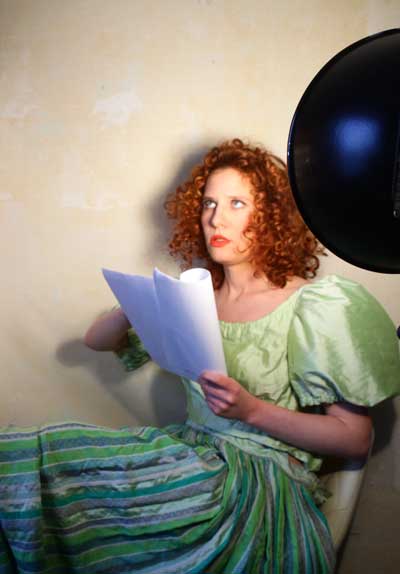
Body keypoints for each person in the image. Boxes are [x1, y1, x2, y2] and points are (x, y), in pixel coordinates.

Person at [1, 139, 399, 574]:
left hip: (254, 484)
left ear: (271, 216)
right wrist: (135, 303)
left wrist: (251, 410)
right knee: (32, 457)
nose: (215, 218)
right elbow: (97, 341)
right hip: (187, 456)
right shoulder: (194, 299)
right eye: (209, 203)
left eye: (236, 203)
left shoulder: (316, 304)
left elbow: (355, 438)